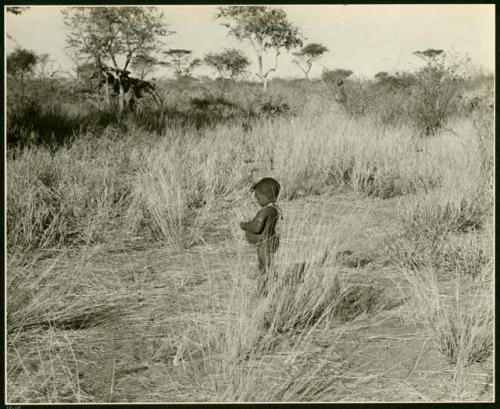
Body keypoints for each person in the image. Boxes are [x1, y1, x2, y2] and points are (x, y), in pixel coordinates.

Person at [240, 177, 282, 296]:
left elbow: (256, 228)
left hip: (265, 244)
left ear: (268, 196)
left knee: (265, 267)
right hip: (271, 242)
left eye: (258, 197)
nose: (257, 200)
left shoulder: (266, 211)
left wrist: (245, 225)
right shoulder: (276, 209)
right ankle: (265, 289)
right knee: (266, 266)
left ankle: (266, 290)